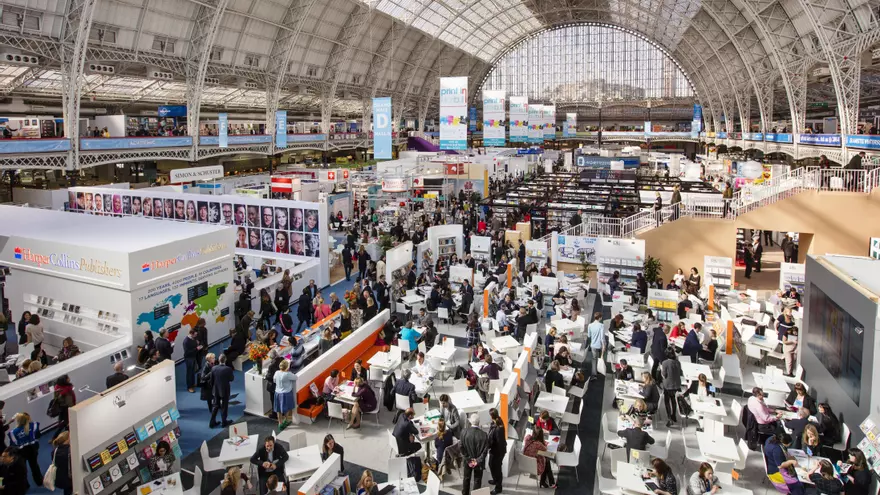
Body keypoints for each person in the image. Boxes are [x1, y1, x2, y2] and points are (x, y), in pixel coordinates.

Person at [9, 413, 42, 486]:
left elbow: (13, 444)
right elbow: (38, 435)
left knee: (23, 469)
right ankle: (39, 481)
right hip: (32, 449)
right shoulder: (34, 426)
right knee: (34, 465)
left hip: (21, 452)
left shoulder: (13, 432)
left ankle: (25, 485)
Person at [461, 413, 489, 495]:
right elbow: (485, 451)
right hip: (478, 463)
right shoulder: (484, 435)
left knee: (466, 478)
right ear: (479, 422)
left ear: (470, 422)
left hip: (467, 461)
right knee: (477, 480)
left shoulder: (464, 432)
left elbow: (461, 447)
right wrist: (477, 461)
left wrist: (469, 459)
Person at [392, 408, 422, 477]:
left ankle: (403, 453)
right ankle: (404, 454)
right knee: (418, 445)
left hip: (395, 440)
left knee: (411, 438)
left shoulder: (402, 415)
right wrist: (411, 432)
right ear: (410, 416)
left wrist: (410, 433)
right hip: (401, 446)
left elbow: (408, 425)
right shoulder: (407, 424)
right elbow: (416, 431)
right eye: (413, 415)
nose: (414, 417)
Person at [210, 354, 235, 428]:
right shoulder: (228, 369)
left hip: (216, 390)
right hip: (224, 390)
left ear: (219, 360)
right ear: (225, 360)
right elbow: (231, 379)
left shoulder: (214, 368)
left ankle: (212, 422)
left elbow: (211, 381)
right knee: (224, 406)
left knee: (215, 406)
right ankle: (224, 422)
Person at [660, 347, 682, 427]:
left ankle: (669, 418)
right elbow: (680, 372)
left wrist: (661, 371)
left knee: (667, 402)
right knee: (673, 400)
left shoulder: (665, 363)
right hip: (676, 384)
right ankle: (674, 415)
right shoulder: (677, 362)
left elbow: (664, 375)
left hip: (668, 385)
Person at [486, 410, 506, 494]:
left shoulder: (498, 428)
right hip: (496, 451)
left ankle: (498, 487)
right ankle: (495, 480)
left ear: (491, 416)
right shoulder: (496, 423)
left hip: (497, 452)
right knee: (491, 465)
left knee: (497, 469)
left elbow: (497, 442)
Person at [273, 360, 297, 428]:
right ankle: (286, 420)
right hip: (286, 393)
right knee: (286, 408)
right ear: (287, 367)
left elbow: (274, 380)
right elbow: (295, 377)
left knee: (278, 409)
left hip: (277, 392)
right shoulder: (288, 374)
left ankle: (280, 423)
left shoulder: (277, 372)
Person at [182, 328, 202, 393]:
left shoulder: (193, 338)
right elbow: (187, 352)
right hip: (189, 358)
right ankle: (189, 387)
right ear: (191, 334)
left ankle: (193, 384)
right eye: (195, 334)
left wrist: (197, 344)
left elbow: (194, 345)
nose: (196, 336)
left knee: (193, 372)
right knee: (189, 373)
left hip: (193, 357)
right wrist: (197, 348)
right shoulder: (186, 341)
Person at [587, 312, 606, 378]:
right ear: (600, 318)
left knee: (594, 359)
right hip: (600, 345)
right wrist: (604, 345)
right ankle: (599, 370)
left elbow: (589, 335)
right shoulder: (601, 325)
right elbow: (602, 338)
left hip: (593, 345)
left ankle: (594, 374)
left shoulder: (590, 325)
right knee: (600, 358)